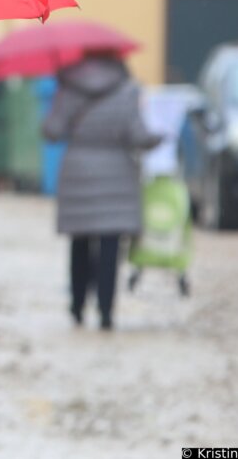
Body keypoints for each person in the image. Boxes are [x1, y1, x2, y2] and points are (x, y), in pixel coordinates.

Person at [41, 53, 160, 331]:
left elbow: (51, 131)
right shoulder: (128, 91)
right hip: (116, 172)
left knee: (79, 242)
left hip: (77, 171)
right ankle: (106, 311)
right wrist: (160, 137)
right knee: (110, 244)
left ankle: (77, 306)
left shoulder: (69, 87)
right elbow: (139, 136)